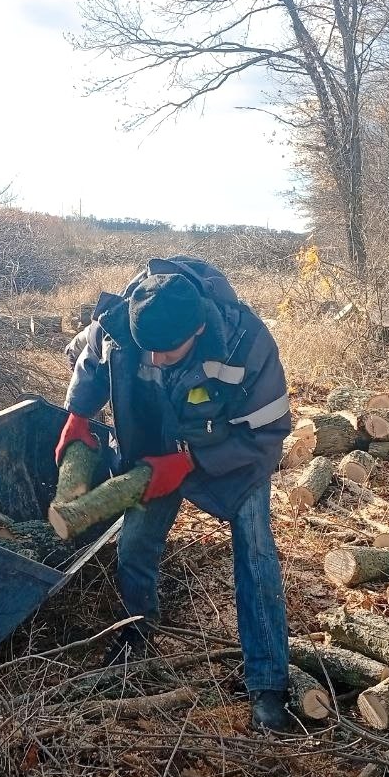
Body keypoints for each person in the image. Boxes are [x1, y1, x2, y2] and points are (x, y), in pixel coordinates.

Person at [56, 256, 295, 733]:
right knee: (135, 544)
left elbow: (268, 434)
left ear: (200, 327)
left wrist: (191, 462)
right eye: (147, 351)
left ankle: (268, 682)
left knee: (256, 550)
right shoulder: (122, 322)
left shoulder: (246, 343)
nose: (154, 360)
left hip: (227, 454)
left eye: (168, 353)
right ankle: (136, 630)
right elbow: (90, 358)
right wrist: (78, 414)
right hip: (150, 448)